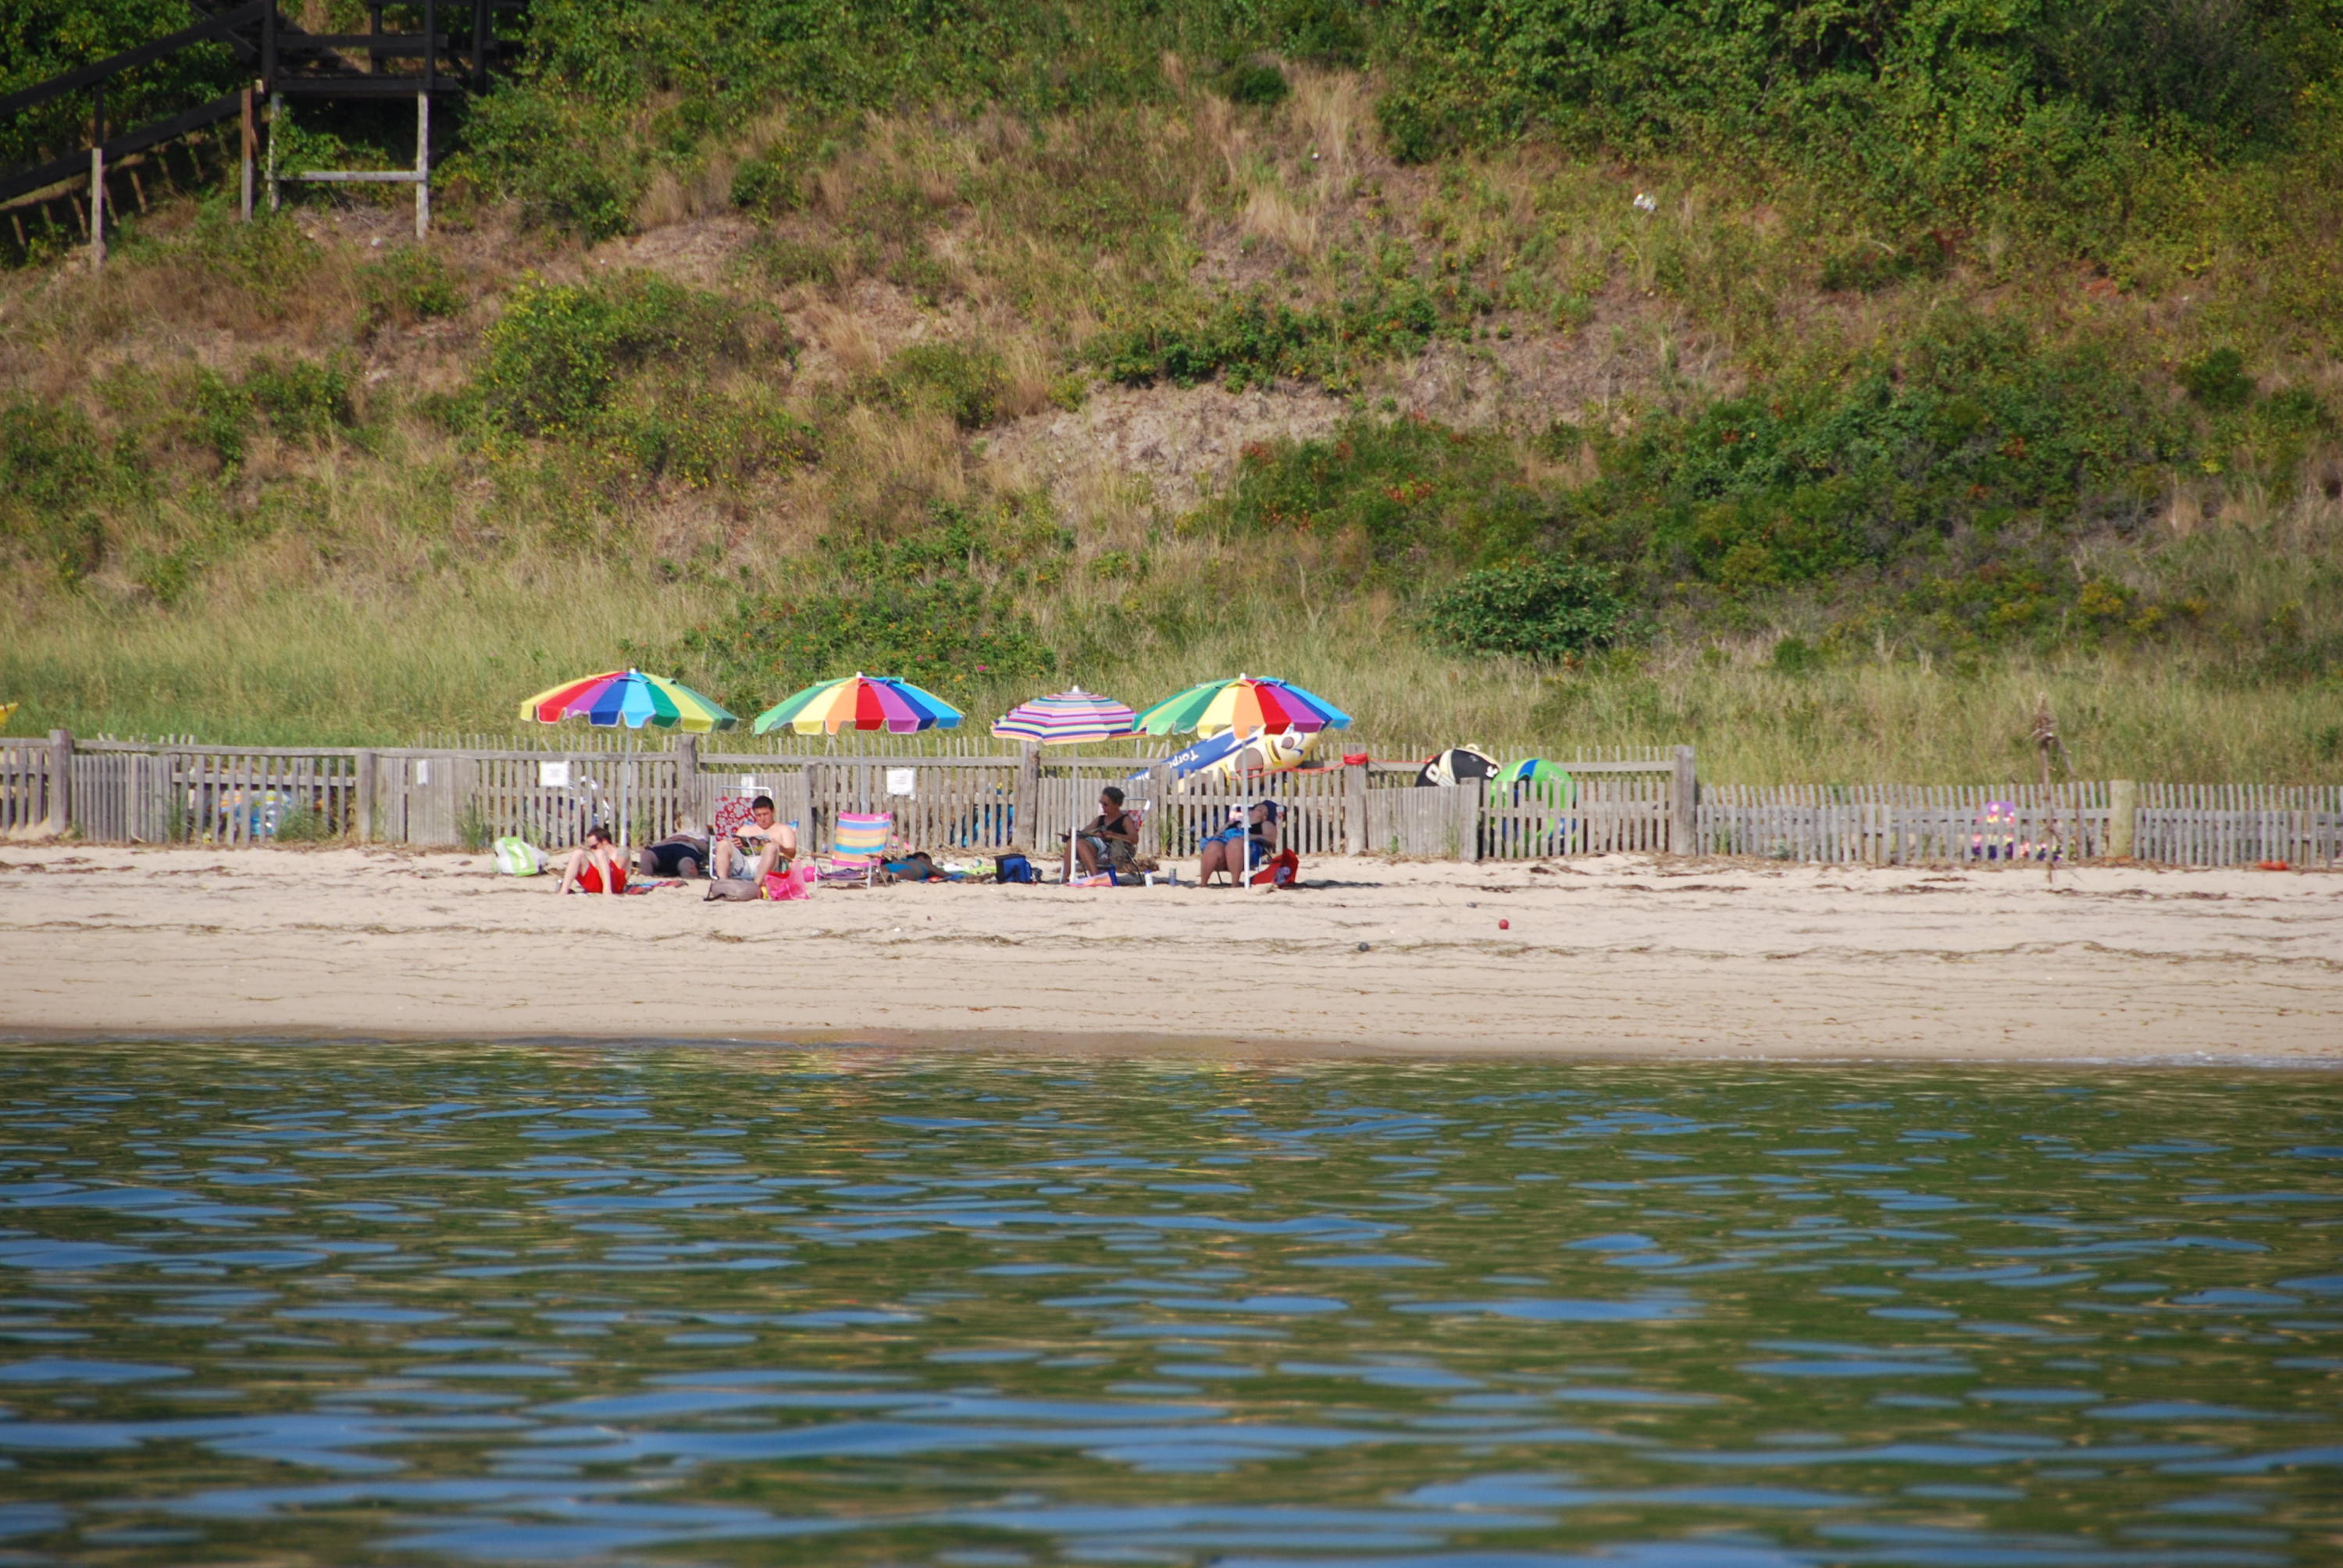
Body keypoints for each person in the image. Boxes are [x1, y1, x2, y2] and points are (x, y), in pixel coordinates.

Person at [711, 795, 797, 884]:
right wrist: (738, 845)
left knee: (771, 847)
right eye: (758, 815)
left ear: (773, 812)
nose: (762, 819)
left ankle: (756, 885)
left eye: (765, 814)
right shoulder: (746, 829)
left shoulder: (784, 829)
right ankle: (722, 882)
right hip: (743, 865)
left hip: (769, 866)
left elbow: (792, 854)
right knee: (723, 844)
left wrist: (780, 847)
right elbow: (732, 848)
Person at [1064, 786, 1140, 880]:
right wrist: (1075, 833)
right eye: (1101, 803)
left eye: (1106, 804)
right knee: (1072, 841)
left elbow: (1135, 839)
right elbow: (1084, 832)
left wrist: (1113, 835)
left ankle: (1096, 877)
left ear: (1117, 805)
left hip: (1115, 852)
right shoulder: (1100, 819)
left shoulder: (1124, 820)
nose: (1103, 807)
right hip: (1097, 849)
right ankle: (1064, 878)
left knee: (1079, 843)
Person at [1198, 798, 1278, 886]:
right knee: (1213, 845)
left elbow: (1271, 838)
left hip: (1248, 851)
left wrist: (1252, 837)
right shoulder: (1235, 823)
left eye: (1266, 814)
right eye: (1260, 810)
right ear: (1250, 811)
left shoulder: (1265, 824)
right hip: (1224, 851)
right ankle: (1203, 884)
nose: (1263, 815)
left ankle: (1235, 883)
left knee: (1235, 843)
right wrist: (1228, 825)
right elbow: (1217, 835)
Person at [556, 825, 628, 895]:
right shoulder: (599, 856)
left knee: (600, 853)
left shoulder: (621, 851)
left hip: (616, 884)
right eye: (591, 848)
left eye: (594, 846)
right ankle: (563, 891)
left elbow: (619, 870)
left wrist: (602, 861)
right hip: (598, 884)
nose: (593, 850)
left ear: (605, 842)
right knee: (578, 853)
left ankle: (607, 891)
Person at [637, 831, 710, 878]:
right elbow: (651, 848)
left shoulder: (699, 838)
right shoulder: (670, 839)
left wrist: (689, 839)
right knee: (646, 855)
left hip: (686, 851)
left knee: (687, 864)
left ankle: (689, 883)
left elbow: (707, 849)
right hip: (666, 848)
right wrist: (669, 840)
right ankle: (645, 881)